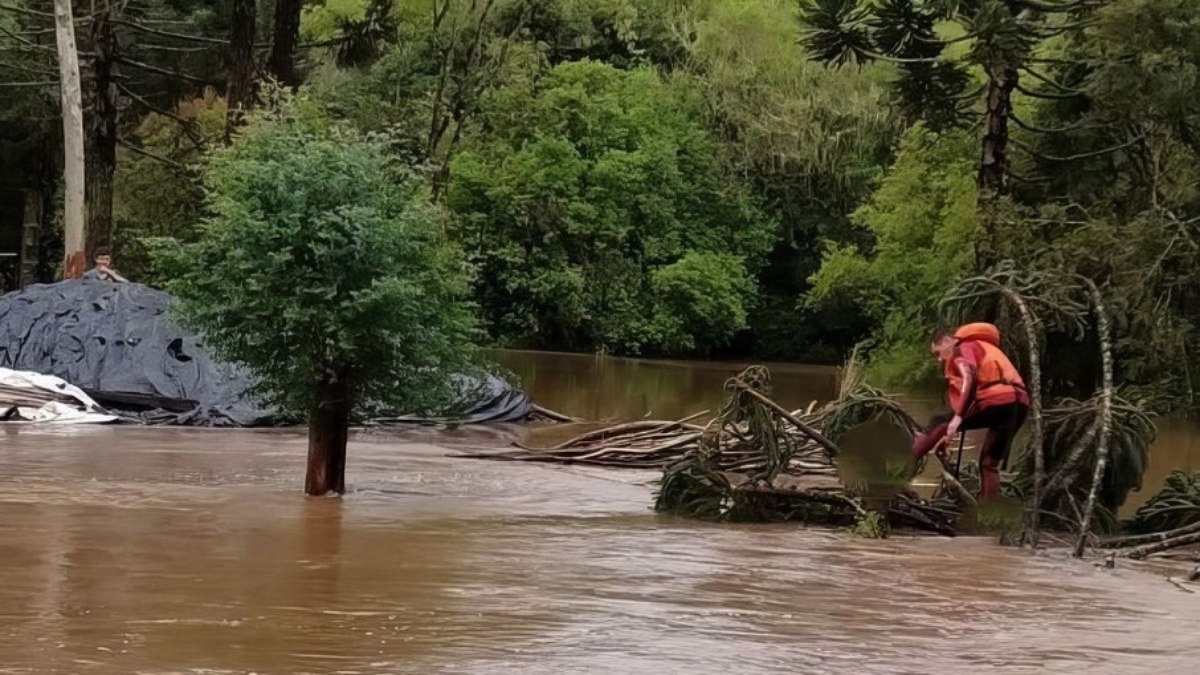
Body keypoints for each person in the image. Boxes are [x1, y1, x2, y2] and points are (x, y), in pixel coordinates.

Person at [912, 322, 1029, 499]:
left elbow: (970, 375)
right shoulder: (986, 347)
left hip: (995, 400)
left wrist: (958, 418)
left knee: (939, 420)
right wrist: (948, 433)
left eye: (937, 353)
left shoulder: (962, 347)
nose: (939, 359)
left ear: (946, 341)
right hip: (1019, 405)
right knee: (989, 464)